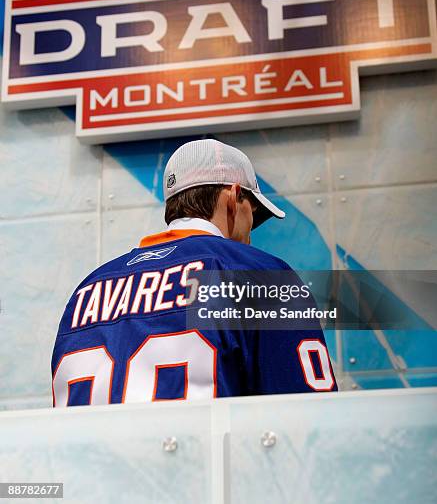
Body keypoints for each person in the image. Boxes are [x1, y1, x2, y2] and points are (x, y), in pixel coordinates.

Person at [52, 139, 337, 406]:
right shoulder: (259, 275)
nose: (251, 232)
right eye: (253, 213)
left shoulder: (86, 291)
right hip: (202, 458)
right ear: (233, 197)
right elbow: (307, 420)